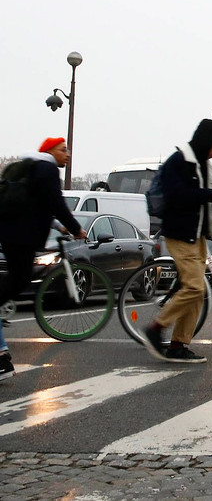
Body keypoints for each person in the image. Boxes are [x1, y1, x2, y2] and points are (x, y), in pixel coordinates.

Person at [142, 119, 212, 363]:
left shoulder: (201, 165)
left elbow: (201, 198)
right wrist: (211, 195)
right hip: (180, 234)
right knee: (194, 287)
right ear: (207, 142)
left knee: (197, 291)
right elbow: (178, 196)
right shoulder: (179, 161)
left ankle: (179, 345)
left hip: (197, 235)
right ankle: (155, 328)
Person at [0, 138, 87, 381]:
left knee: (17, 279)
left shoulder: (29, 168)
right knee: (19, 280)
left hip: (12, 232)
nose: (67, 154)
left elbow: (37, 205)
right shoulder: (48, 170)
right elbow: (56, 203)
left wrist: (59, 226)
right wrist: (76, 228)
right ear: (49, 152)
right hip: (21, 235)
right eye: (63, 150)